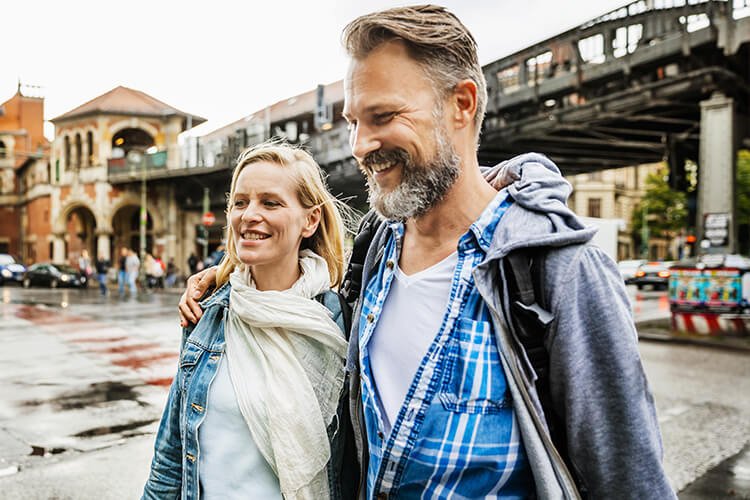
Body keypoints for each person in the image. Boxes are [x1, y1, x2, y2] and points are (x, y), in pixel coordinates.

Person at [179, 5, 675, 499]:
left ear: (461, 103)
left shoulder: (561, 272)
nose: (359, 144)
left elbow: (632, 483)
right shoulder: (374, 251)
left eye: (384, 116)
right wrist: (226, 281)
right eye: (354, 121)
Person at [143, 142, 355, 499]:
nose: (249, 214)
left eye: (270, 202)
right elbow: (170, 458)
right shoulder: (207, 312)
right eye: (241, 202)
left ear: (310, 220)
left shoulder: (340, 322)